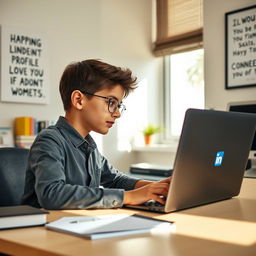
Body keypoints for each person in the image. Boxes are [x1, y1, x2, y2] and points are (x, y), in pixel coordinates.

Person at [22, 59, 170, 209]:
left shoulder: (88, 145)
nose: (118, 114)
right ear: (79, 100)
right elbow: (52, 194)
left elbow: (115, 179)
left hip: (77, 224)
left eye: (119, 105)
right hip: (41, 228)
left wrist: (156, 187)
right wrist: (129, 196)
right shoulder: (49, 140)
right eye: (111, 103)